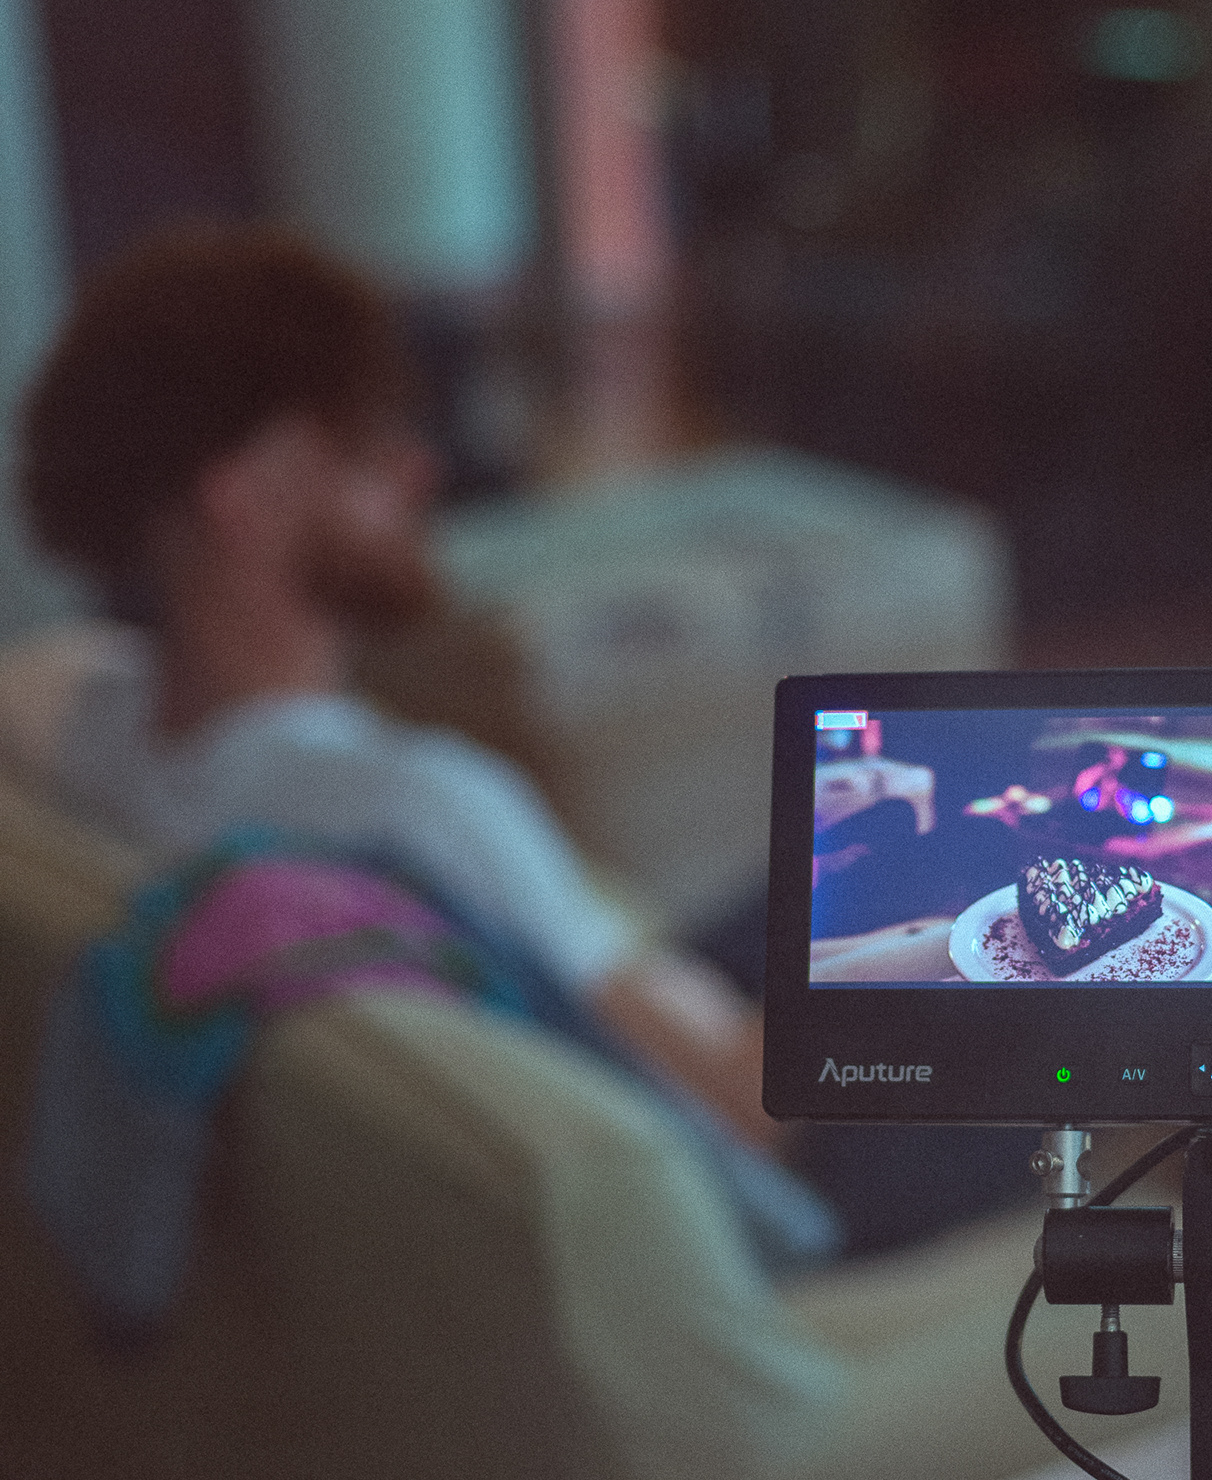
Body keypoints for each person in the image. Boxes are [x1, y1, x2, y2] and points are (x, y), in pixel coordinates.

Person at [15, 223, 773, 1155]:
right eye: (366, 445)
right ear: (245, 497)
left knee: (795, 887)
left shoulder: (68, 715)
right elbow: (750, 1115)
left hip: (630, 975)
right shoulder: (420, 811)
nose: (419, 469)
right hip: (738, 1113)